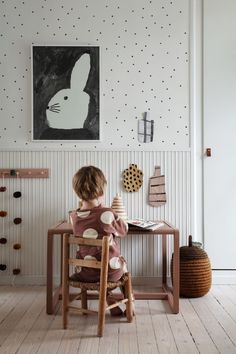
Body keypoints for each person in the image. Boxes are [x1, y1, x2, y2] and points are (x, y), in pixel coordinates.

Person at [70, 165, 129, 316]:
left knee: (99, 262)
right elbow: (123, 230)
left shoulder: (73, 217)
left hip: (85, 272)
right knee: (122, 265)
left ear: (77, 192)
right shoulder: (107, 213)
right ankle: (131, 305)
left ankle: (111, 302)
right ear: (102, 190)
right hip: (110, 273)